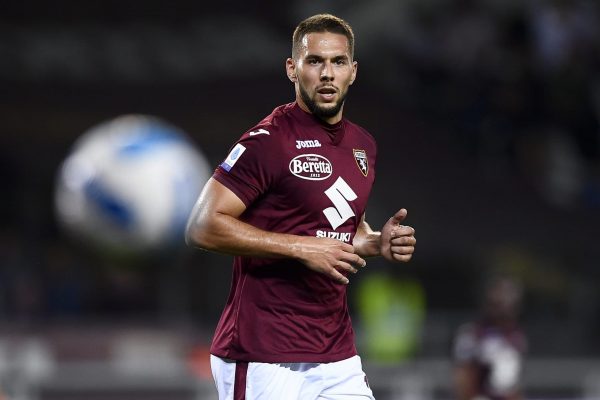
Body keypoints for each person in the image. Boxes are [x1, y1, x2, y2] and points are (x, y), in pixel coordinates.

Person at [185, 13, 416, 400]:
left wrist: (375, 242)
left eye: (338, 62)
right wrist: (298, 246)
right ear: (293, 69)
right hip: (263, 354)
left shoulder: (363, 146)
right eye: (315, 61)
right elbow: (202, 225)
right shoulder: (268, 141)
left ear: (353, 71)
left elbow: (340, 228)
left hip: (336, 355)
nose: (327, 74)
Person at [452, 275, 527, 400]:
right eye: (498, 303)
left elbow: (516, 382)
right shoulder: (472, 334)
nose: (504, 309)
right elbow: (462, 376)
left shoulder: (517, 336)